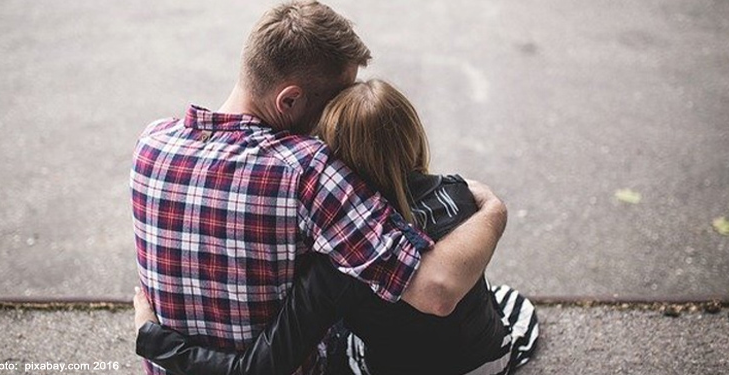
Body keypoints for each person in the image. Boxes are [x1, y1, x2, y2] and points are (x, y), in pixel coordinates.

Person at [130, 1, 509, 375]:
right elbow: (435, 289)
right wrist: (493, 210)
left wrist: (152, 338)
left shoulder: (151, 143)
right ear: (289, 100)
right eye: (334, 102)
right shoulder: (307, 170)